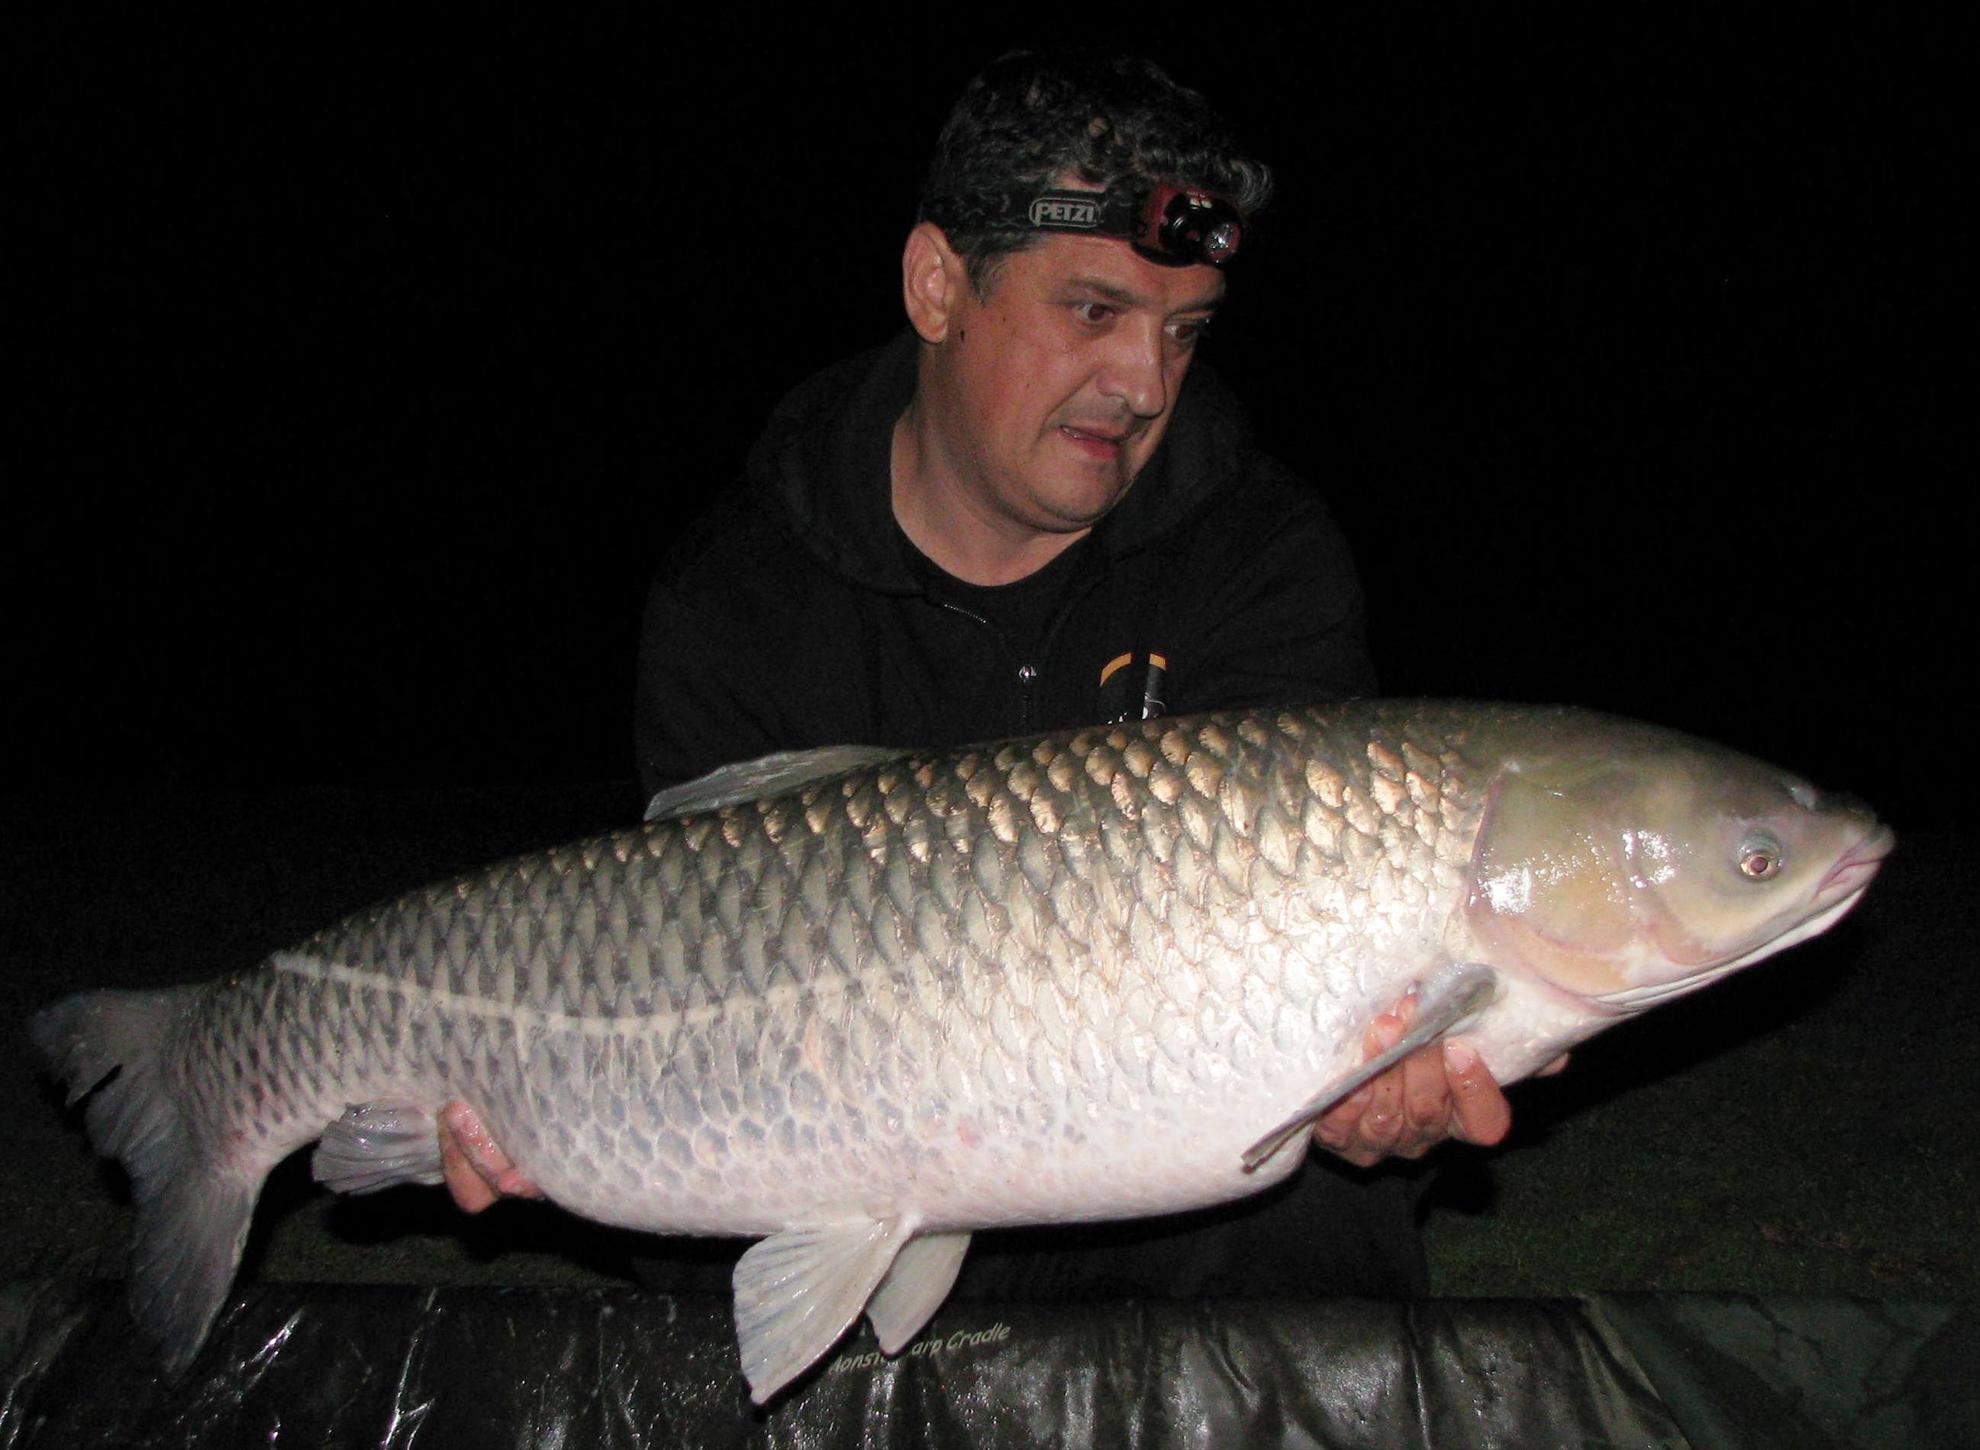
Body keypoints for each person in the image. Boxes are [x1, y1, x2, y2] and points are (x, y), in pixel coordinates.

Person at [438, 51, 1554, 1300]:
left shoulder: (1260, 553)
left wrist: (1372, 1080)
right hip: (841, 1148)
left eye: (1182, 333)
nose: (1143, 385)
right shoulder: (737, 597)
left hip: (1197, 1242)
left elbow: (1309, 964)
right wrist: (566, 1117)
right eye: (1092, 313)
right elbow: (700, 990)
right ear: (937, 285)